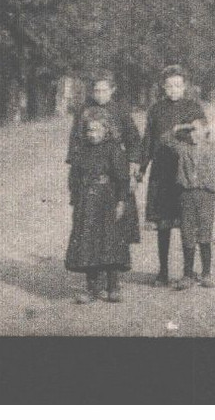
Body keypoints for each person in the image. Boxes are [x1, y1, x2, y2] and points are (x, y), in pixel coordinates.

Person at [137, 65, 207, 285]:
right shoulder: (156, 110)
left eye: (178, 85)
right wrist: (141, 167)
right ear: (163, 87)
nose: (173, 90)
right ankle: (163, 271)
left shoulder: (193, 107)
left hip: (186, 171)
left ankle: (188, 271)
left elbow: (204, 135)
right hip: (162, 172)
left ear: (185, 86)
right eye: (169, 86)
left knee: (188, 223)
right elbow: (148, 140)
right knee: (164, 224)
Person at [67, 74, 141, 254]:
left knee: (118, 216)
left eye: (104, 90)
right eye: (96, 91)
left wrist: (133, 161)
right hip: (91, 165)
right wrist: (75, 165)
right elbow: (75, 139)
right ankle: (93, 261)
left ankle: (114, 262)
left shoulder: (120, 110)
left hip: (115, 167)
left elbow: (133, 138)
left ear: (112, 90)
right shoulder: (84, 111)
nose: (100, 95)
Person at [65, 113, 133, 303]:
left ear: (106, 130)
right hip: (86, 201)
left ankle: (113, 286)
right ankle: (91, 288)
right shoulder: (81, 150)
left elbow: (122, 178)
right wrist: (76, 198)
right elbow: (74, 177)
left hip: (107, 200)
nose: (92, 134)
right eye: (88, 130)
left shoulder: (114, 150)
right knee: (88, 243)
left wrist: (121, 202)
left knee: (109, 241)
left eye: (96, 130)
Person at [171, 117, 215, 289]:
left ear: (206, 131)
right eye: (191, 130)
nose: (193, 134)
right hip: (186, 195)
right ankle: (187, 274)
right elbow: (168, 138)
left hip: (206, 195)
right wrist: (183, 125)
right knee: (187, 234)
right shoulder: (183, 148)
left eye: (197, 130)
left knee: (205, 233)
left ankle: (206, 273)